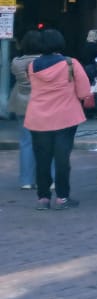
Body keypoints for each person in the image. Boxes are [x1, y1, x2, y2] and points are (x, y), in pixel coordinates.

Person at [24, 29, 91, 210]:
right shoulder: (71, 63)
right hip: (65, 118)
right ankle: (62, 197)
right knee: (62, 159)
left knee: (42, 160)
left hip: (37, 118)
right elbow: (84, 92)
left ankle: (43, 198)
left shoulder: (32, 65)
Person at [9, 29, 41, 190]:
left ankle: (26, 180)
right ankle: (47, 178)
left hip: (22, 102)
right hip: (41, 103)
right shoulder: (44, 61)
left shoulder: (16, 62)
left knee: (26, 142)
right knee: (46, 142)